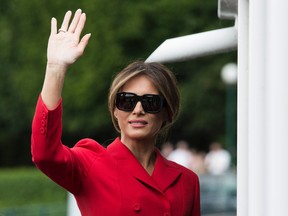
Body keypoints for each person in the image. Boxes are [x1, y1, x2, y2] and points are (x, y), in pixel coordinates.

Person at [31, 9, 200, 216]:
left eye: (150, 102)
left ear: (168, 111)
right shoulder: (91, 165)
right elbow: (45, 155)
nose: (138, 110)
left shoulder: (187, 181)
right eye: (127, 101)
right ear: (115, 110)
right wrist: (55, 68)